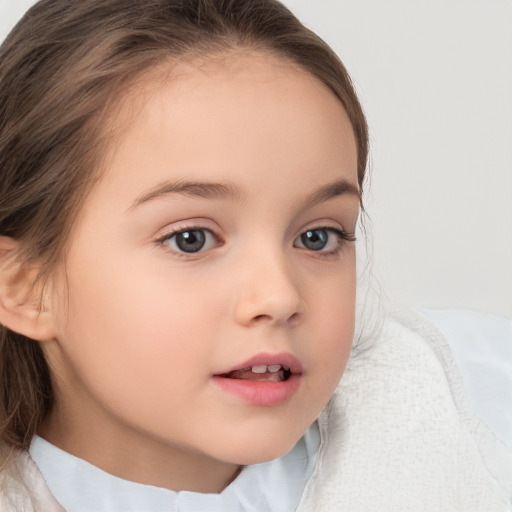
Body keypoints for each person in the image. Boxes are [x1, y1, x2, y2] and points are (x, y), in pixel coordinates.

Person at [0, 1, 509, 510]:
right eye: (191, 239)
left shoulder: (473, 411)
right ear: (24, 286)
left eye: (318, 237)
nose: (279, 296)